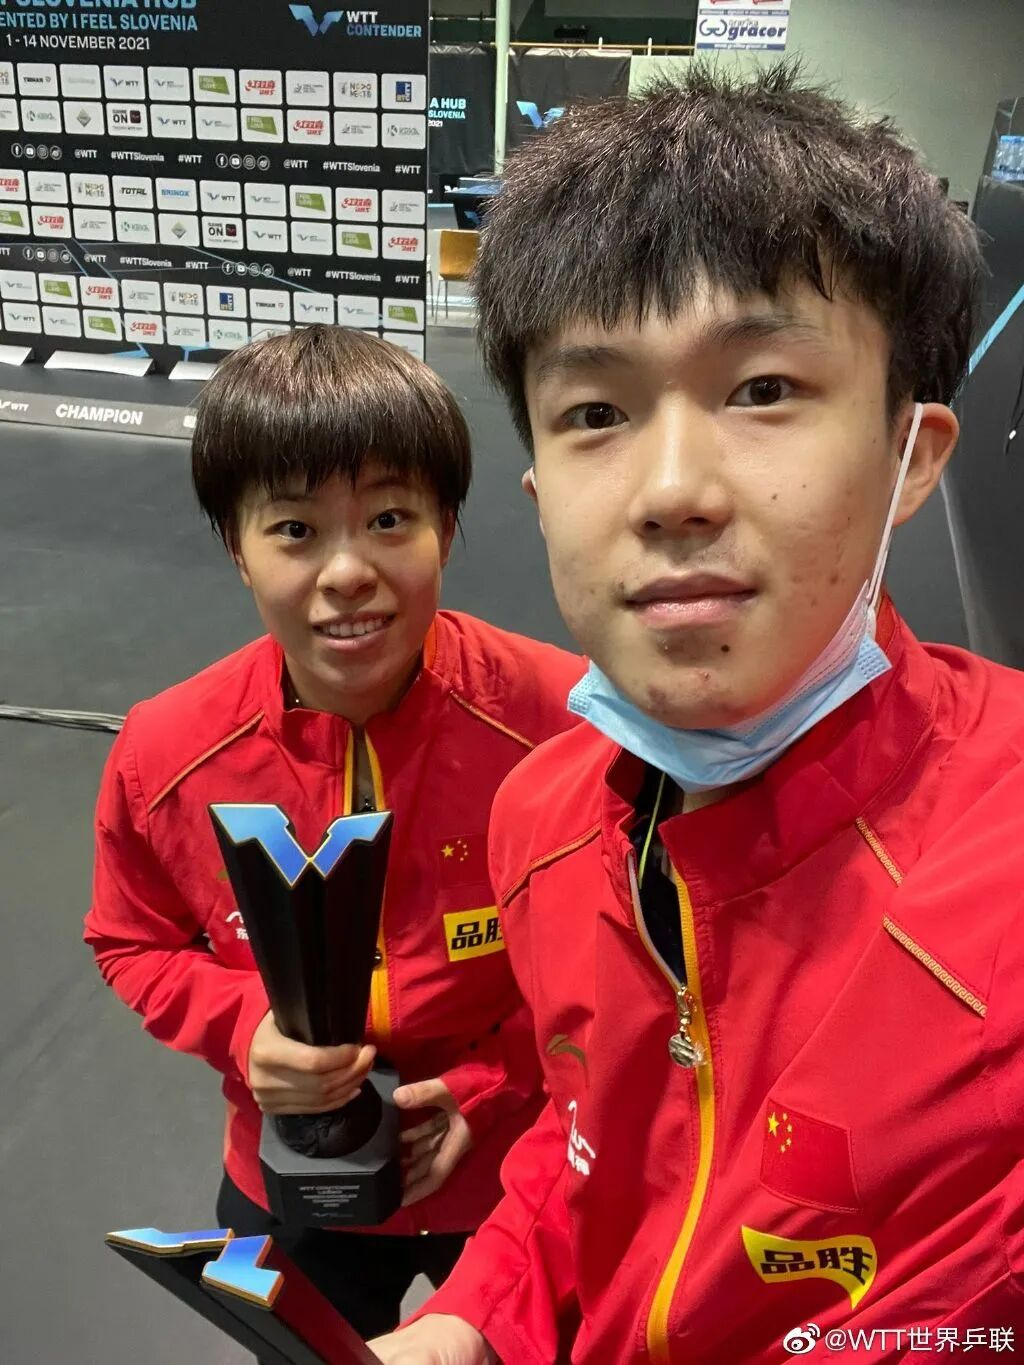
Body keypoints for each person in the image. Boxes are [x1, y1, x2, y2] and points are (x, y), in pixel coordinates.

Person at [369, 66, 1024, 1364]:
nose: (671, 490)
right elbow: (589, 1147)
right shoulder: (542, 823)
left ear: (913, 455)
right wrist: (471, 1316)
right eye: (595, 413)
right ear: (541, 493)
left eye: (763, 388)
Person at [84, 325, 583, 1340]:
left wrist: (494, 1085)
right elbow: (130, 942)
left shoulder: (563, 722)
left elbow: (618, 961)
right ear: (238, 548)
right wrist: (245, 1031)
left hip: (513, 1167)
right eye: (295, 530)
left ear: (447, 525)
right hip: (286, 1171)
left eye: (390, 518)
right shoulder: (162, 751)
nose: (347, 571)